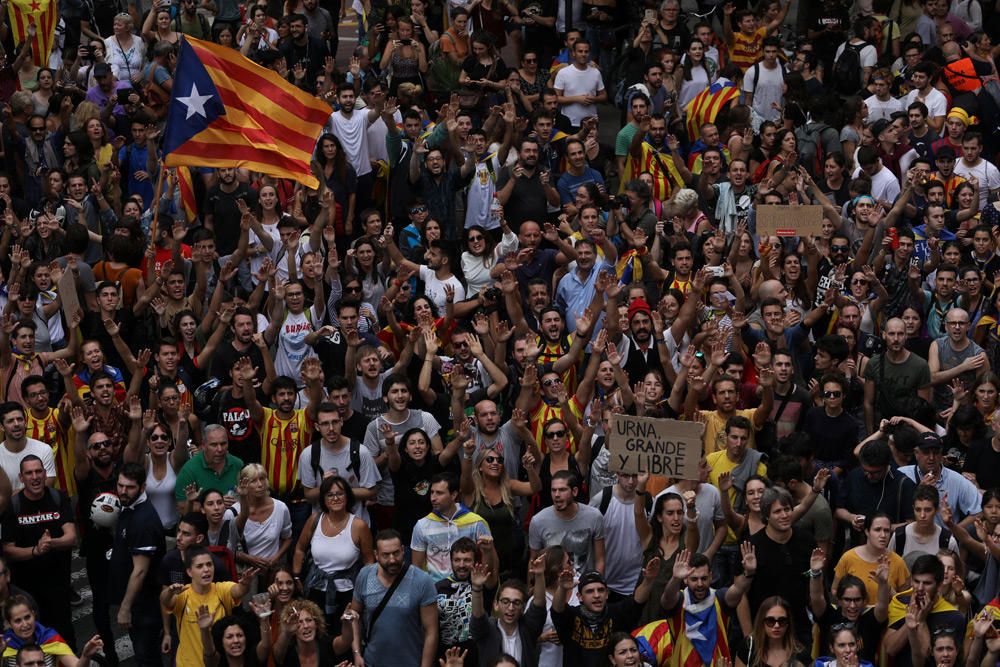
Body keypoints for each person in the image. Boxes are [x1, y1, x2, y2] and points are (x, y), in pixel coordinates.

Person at [0, 456, 76, 648]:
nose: (35, 477)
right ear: (21, 477)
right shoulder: (14, 506)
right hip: (26, 592)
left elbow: (71, 537)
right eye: (29, 473)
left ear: (45, 473)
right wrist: (35, 550)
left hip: (58, 586)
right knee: (31, 644)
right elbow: (8, 550)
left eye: (38, 471)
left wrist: (50, 543)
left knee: (63, 639)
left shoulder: (58, 497)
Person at [291, 475, 373, 633]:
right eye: (330, 494)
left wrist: (365, 592)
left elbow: (369, 562)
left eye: (340, 493)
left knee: (344, 634)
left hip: (348, 592)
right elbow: (300, 548)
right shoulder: (314, 520)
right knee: (316, 633)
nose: (335, 498)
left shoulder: (359, 526)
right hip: (315, 588)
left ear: (347, 496)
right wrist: (296, 575)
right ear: (323, 499)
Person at [350, 529, 438, 667]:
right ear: (376, 555)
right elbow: (353, 617)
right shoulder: (365, 575)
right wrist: (356, 653)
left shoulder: (422, 580)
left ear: (403, 550)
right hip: (371, 662)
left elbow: (431, 631)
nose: (392, 560)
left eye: (396, 553)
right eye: (385, 555)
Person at [160, 546, 257, 667]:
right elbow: (165, 600)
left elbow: (238, 590)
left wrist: (245, 584)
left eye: (209, 564)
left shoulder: (221, 590)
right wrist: (169, 591)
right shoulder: (183, 595)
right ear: (189, 572)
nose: (206, 570)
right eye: (200, 566)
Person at [110, 462, 166, 667]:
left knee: (146, 657)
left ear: (142, 488)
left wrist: (125, 608)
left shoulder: (144, 520)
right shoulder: (128, 507)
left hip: (144, 606)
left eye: (130, 487)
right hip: (139, 604)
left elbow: (140, 571)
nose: (123, 491)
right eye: (120, 485)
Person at [884, 554, 966, 667]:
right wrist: (911, 620)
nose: (920, 588)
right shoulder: (900, 603)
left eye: (927, 583)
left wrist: (922, 620)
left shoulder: (953, 616)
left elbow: (925, 657)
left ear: (939, 585)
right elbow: (890, 649)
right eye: (916, 581)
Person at [411, 473, 492, 581]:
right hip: (435, 591)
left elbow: (489, 563)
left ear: (453, 495)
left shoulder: (476, 523)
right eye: (432, 492)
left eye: (439, 493)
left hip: (469, 588)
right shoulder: (422, 525)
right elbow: (417, 568)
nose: (433, 498)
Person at [528, 470, 605, 578]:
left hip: (584, 586)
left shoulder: (594, 517)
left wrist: (595, 584)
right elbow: (533, 561)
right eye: (553, 490)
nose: (557, 495)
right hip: (553, 587)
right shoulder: (538, 521)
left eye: (562, 490)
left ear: (574, 491)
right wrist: (532, 590)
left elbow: (600, 560)